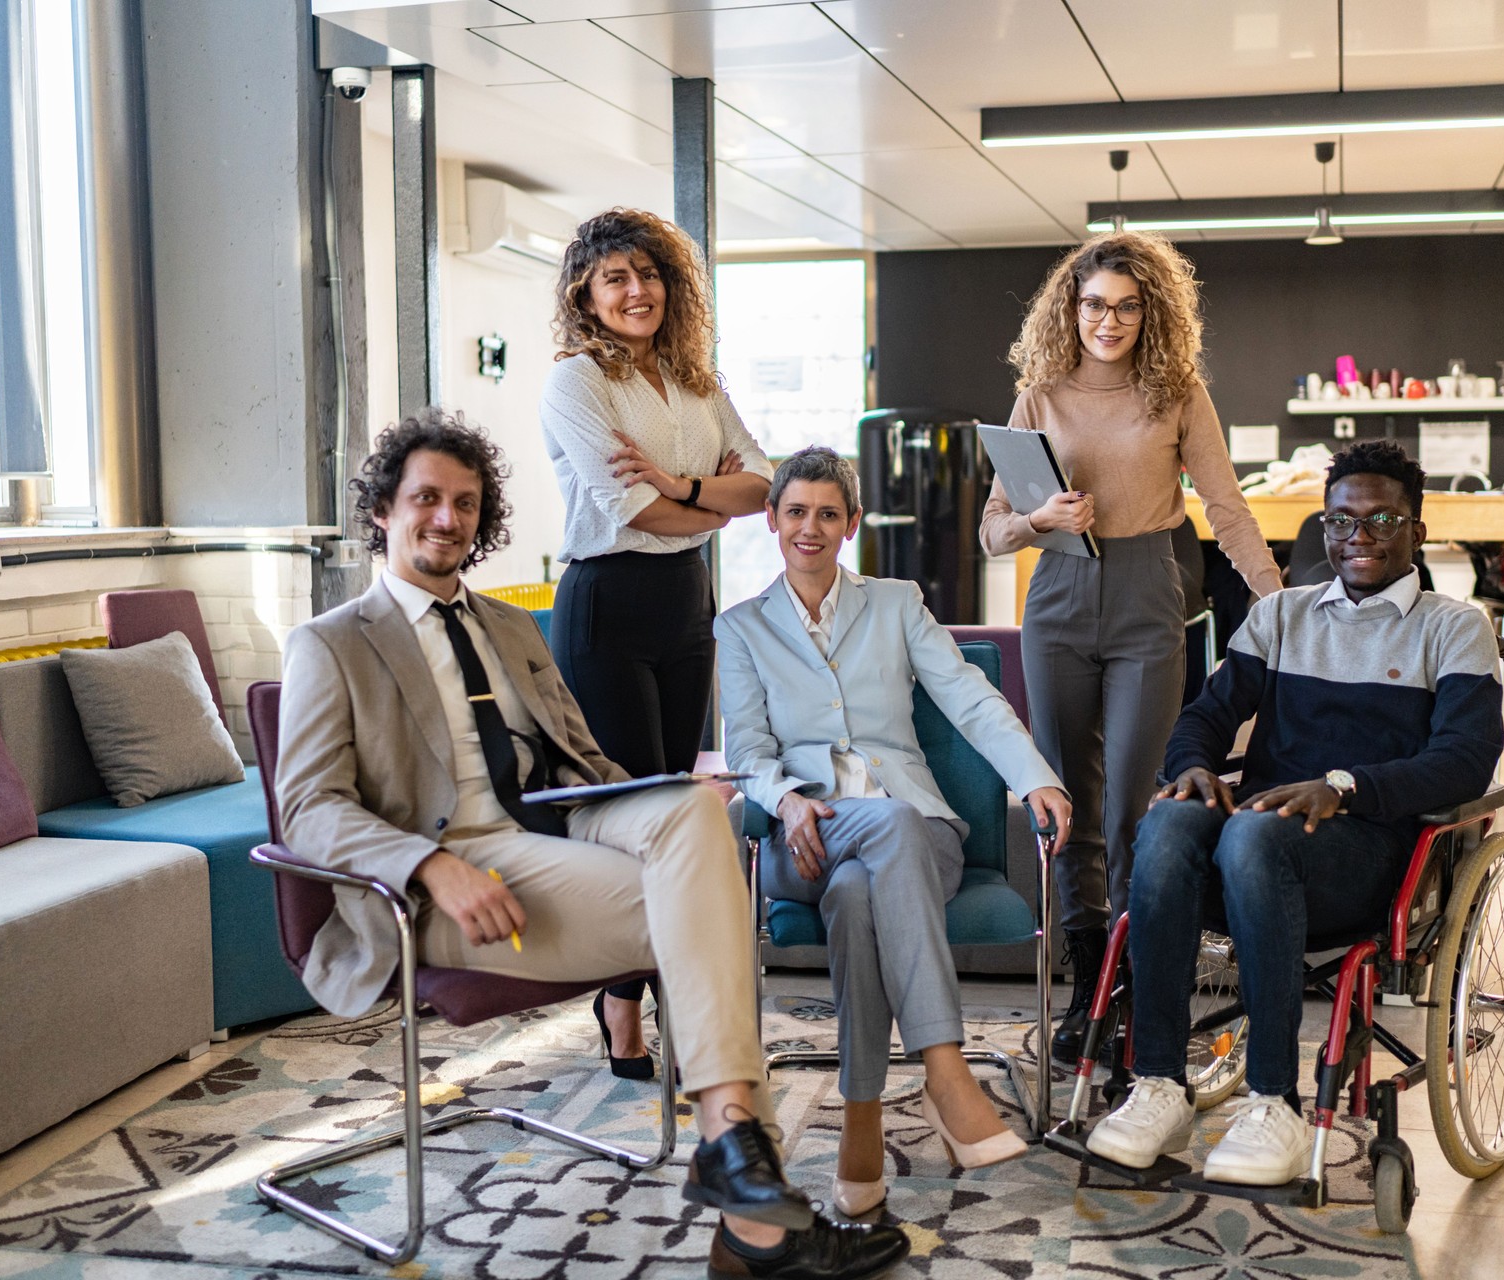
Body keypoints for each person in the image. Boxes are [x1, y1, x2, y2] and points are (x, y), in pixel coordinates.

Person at [275, 411, 907, 1280]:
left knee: (693, 807)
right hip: (445, 878)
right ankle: (752, 1208)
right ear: (383, 508)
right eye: (426, 499)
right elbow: (307, 807)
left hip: (554, 828)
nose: (447, 519)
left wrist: (650, 805)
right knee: (708, 911)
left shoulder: (513, 628)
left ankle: (734, 1160)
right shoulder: (330, 643)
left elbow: (586, 760)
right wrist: (432, 863)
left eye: (465, 502)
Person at [1086, 440, 1504, 1187]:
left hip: (1369, 856)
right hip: (1259, 846)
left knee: (1251, 832)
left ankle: (1273, 1101)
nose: (1359, 538)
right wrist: (1191, 768)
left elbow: (1466, 762)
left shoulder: (1452, 627)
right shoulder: (1281, 615)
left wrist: (1343, 787)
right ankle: (1158, 1083)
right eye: (1342, 523)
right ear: (1324, 527)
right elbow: (1205, 718)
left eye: (1382, 520)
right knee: (1169, 823)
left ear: (1418, 527)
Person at [717, 447, 1075, 1218]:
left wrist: (1033, 774)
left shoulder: (895, 603)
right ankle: (945, 1070)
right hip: (805, 834)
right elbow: (746, 751)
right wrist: (783, 801)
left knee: (860, 890)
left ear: (850, 527)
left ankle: (862, 1124)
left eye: (827, 513)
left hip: (917, 831)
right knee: (865, 849)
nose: (810, 527)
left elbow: (969, 697)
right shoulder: (741, 628)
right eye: (795, 512)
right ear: (774, 522)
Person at [980, 230, 1281, 1065]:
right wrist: (1038, 522)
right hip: (1059, 601)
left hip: (1151, 597)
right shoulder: (1039, 394)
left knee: (1134, 812)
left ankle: (1139, 989)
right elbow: (993, 528)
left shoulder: (1177, 391)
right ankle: (1089, 985)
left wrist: (1284, 605)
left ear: (1150, 312)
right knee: (1068, 802)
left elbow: (1226, 509)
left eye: (1125, 306)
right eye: (1092, 306)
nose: (1107, 322)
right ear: (1068, 310)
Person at [539, 208, 774, 1077]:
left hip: (685, 605)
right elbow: (630, 512)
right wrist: (704, 508)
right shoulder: (577, 384)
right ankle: (621, 999)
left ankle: (672, 993)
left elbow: (767, 482)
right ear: (586, 294)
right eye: (615, 278)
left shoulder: (696, 381)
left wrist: (683, 484)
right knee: (632, 817)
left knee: (681, 809)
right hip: (607, 604)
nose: (637, 291)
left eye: (650, 274)